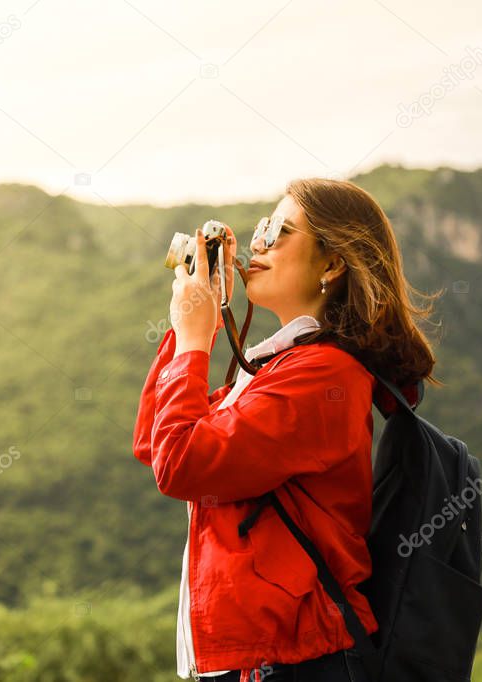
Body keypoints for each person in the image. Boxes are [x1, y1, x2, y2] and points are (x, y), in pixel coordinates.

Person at [132, 178, 439, 681]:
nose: (258, 243)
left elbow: (181, 463)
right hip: (264, 661)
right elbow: (155, 439)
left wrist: (192, 340)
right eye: (260, 229)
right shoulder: (277, 368)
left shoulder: (325, 376)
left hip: (297, 662)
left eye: (277, 230)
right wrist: (191, 327)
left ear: (332, 263)